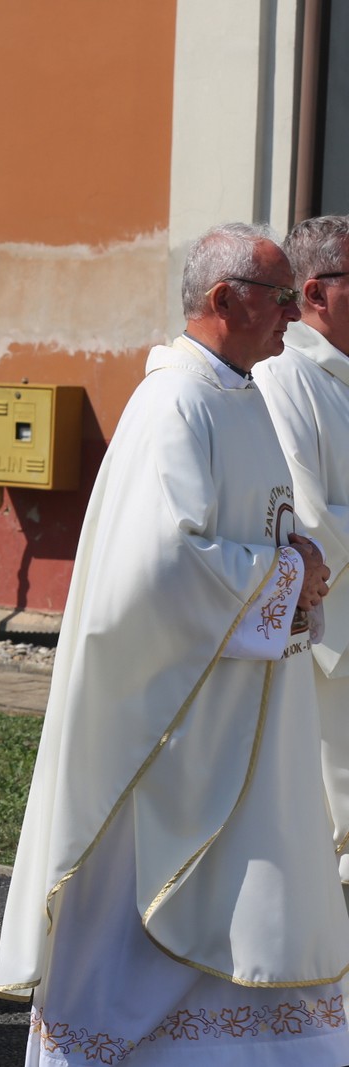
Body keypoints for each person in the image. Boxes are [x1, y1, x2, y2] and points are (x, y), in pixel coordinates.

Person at [0, 222, 349, 1066]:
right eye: (273, 300)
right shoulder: (174, 404)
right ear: (224, 300)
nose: (287, 322)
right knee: (157, 895)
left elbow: (265, 528)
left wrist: (297, 560)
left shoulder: (243, 393)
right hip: (170, 724)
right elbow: (159, 566)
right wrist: (283, 576)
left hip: (243, 709)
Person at [254, 215, 349, 900]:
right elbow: (305, 519)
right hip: (328, 639)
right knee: (330, 827)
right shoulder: (286, 377)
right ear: (317, 292)